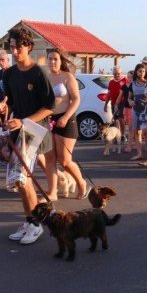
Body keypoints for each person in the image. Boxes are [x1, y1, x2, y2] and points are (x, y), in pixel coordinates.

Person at [0, 28, 55, 245]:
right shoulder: (9, 74)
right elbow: (9, 101)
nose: (14, 51)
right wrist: (4, 108)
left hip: (35, 130)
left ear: (28, 46)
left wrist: (24, 120)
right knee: (20, 182)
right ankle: (30, 220)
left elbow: (49, 107)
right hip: (17, 129)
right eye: (11, 47)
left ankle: (37, 224)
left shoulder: (38, 73)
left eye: (18, 46)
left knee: (24, 178)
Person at [44, 49, 88, 201]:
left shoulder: (67, 77)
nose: (52, 62)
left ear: (61, 60)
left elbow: (76, 99)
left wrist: (65, 117)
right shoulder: (46, 78)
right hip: (50, 120)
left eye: (55, 59)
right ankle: (52, 192)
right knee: (50, 159)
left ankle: (81, 182)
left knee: (64, 161)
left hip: (67, 120)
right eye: (50, 59)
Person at [128, 64, 147, 161]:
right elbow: (129, 97)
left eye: (143, 71)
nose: (141, 73)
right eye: (139, 71)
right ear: (136, 72)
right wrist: (130, 101)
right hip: (135, 109)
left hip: (146, 110)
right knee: (137, 131)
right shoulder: (132, 84)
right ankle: (139, 153)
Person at [104, 66, 127, 141]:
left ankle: (123, 135)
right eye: (115, 74)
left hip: (122, 103)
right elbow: (109, 94)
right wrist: (105, 104)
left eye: (118, 74)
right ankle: (118, 135)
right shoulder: (111, 82)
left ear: (121, 73)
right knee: (116, 120)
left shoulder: (125, 80)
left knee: (121, 119)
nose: (117, 75)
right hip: (113, 103)